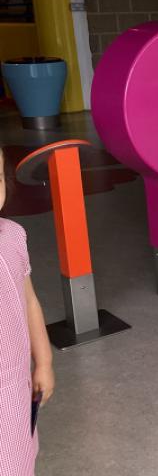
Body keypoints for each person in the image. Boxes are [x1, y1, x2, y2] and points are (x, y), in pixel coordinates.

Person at [0, 149, 55, 475]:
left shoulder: (13, 237)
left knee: (18, 459)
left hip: (14, 384)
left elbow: (29, 301)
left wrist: (44, 362)